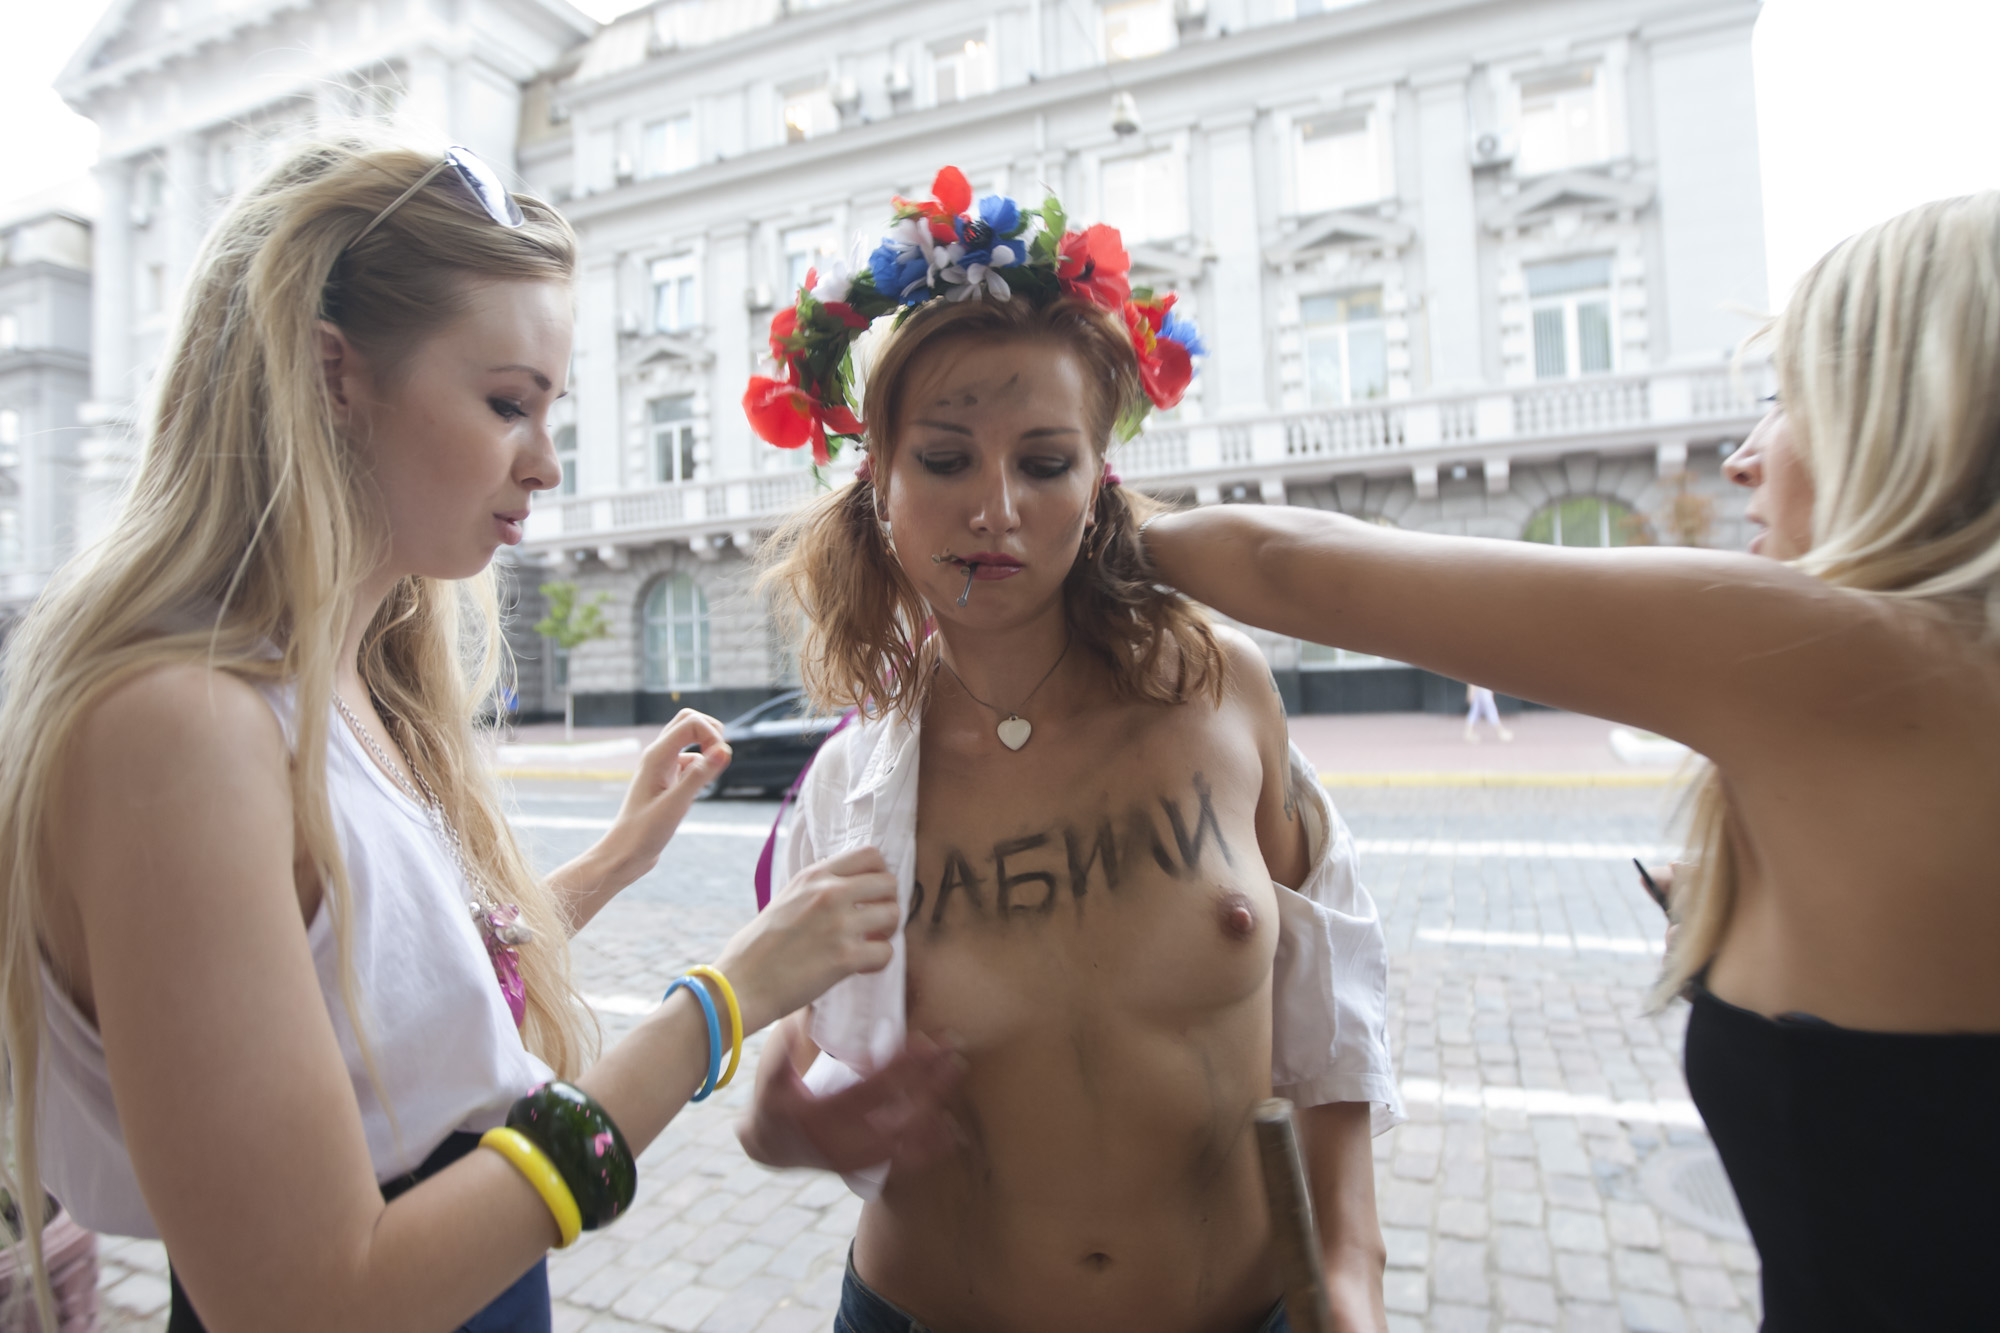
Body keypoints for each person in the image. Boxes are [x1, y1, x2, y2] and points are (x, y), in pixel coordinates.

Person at [0, 137, 945, 1333]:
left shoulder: (347, 682)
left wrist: (620, 855)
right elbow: (310, 1302)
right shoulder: (183, 728)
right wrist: (718, 1004)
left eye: (549, 411)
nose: (544, 464)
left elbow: (400, 993)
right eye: (507, 403)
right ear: (334, 373)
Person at [1140, 193, 2000, 1329]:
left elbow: (1287, 565)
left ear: (1912, 414)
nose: (1744, 457)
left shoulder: (1855, 657)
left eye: (1789, 400)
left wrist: (1066, 509)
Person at [736, 168, 1401, 1333]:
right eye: (945, 458)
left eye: (1044, 463)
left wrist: (1348, 1275)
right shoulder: (851, 787)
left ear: (1098, 486)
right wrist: (779, 1125)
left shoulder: (1222, 693)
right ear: (878, 483)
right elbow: (787, 1065)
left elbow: (1327, 1001)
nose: (995, 507)